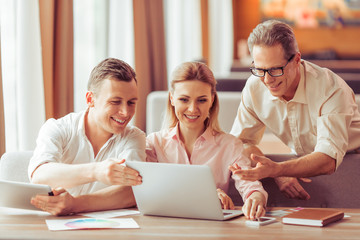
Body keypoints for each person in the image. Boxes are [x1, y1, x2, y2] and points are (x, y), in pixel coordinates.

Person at [230, 20, 360, 200]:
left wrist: (277, 170)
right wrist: (279, 174)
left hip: (353, 164)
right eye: (260, 70)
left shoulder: (330, 88)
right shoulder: (254, 87)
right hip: (302, 166)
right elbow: (240, 143)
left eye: (275, 70)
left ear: (297, 60)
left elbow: (328, 159)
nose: (267, 80)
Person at [146, 62, 268, 220]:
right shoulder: (154, 143)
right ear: (172, 98)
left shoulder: (229, 145)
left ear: (212, 100)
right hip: (165, 228)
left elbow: (251, 187)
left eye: (201, 100)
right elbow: (149, 193)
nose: (192, 109)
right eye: (184, 99)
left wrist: (255, 199)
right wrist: (203, 196)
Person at [28, 58, 145, 215]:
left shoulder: (134, 137)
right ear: (90, 100)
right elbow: (39, 176)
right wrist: (96, 171)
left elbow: (132, 192)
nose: (125, 112)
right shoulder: (58, 128)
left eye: (131, 103)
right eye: (115, 102)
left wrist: (76, 204)